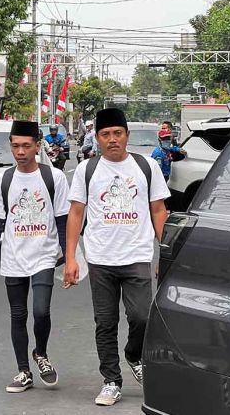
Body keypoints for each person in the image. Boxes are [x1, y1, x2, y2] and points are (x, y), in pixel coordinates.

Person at [64, 108, 170, 407]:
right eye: (105, 135)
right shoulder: (88, 170)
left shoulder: (146, 166)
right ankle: (111, 380)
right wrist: (71, 257)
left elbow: (159, 210)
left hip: (137, 255)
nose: (112, 140)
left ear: (127, 136)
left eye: (117, 134)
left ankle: (134, 354)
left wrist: (165, 252)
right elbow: (76, 212)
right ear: (97, 138)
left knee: (141, 317)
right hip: (100, 258)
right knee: (105, 322)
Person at [0, 120, 70, 394]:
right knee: (18, 315)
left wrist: (69, 259)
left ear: (37, 146)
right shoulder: (2, 181)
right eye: (16, 146)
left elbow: (64, 220)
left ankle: (40, 354)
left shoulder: (53, 178)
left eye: (26, 146)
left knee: (41, 311)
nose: (20, 152)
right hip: (13, 258)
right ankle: (23, 371)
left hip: (44, 255)